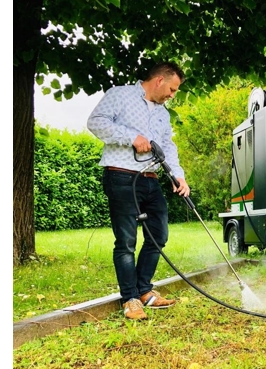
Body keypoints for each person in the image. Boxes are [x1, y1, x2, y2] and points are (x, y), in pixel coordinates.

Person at [87, 61, 190, 320]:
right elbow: (95, 122)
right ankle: (130, 298)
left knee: (158, 235)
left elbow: (167, 145)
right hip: (121, 176)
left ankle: (145, 290)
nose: (172, 95)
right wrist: (131, 137)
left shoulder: (162, 113)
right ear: (159, 80)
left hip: (151, 179)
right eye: (172, 89)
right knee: (126, 241)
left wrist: (178, 175)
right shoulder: (120, 95)